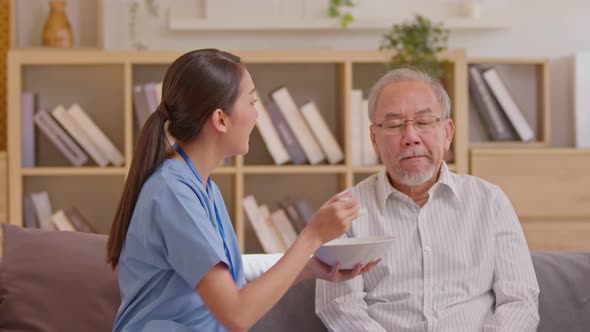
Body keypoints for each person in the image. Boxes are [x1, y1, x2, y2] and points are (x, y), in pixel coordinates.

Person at [106, 49, 379, 332]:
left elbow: (226, 293)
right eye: (251, 101)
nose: (256, 115)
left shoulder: (200, 186)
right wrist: (312, 236)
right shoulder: (174, 194)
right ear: (221, 119)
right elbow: (236, 315)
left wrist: (308, 268)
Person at [315, 68, 540, 332]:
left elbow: (519, 299)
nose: (411, 137)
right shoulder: (345, 213)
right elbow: (341, 307)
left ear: (447, 132)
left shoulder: (490, 201)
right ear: (374, 139)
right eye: (395, 124)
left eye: (423, 122)